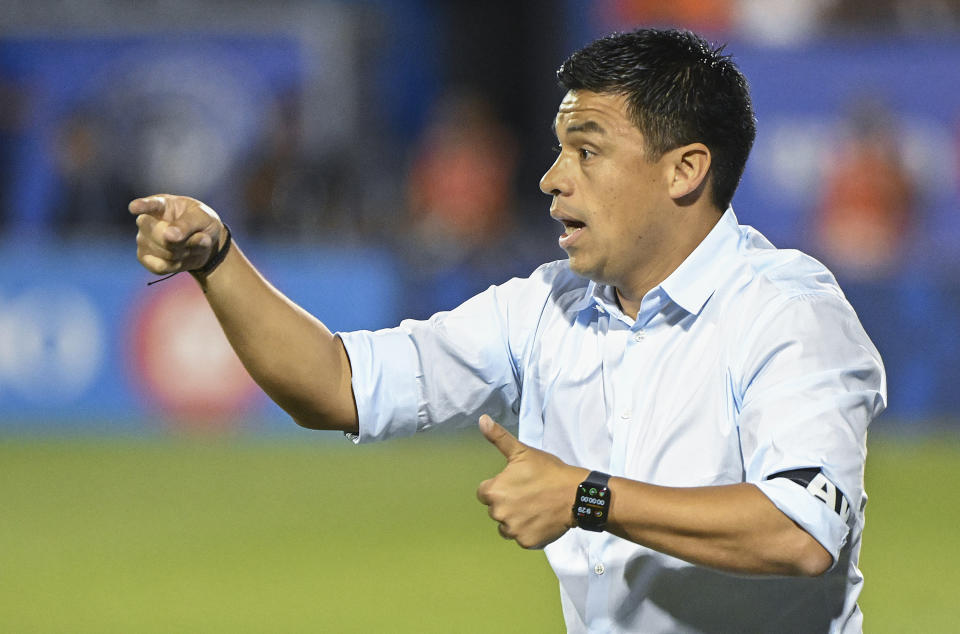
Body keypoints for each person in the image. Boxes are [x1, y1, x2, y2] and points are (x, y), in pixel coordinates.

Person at [131, 28, 886, 633]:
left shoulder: (788, 313)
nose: (552, 177)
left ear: (685, 169)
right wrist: (218, 258)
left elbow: (799, 533)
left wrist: (586, 497)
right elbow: (338, 385)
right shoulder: (545, 307)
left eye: (586, 150)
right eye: (560, 147)